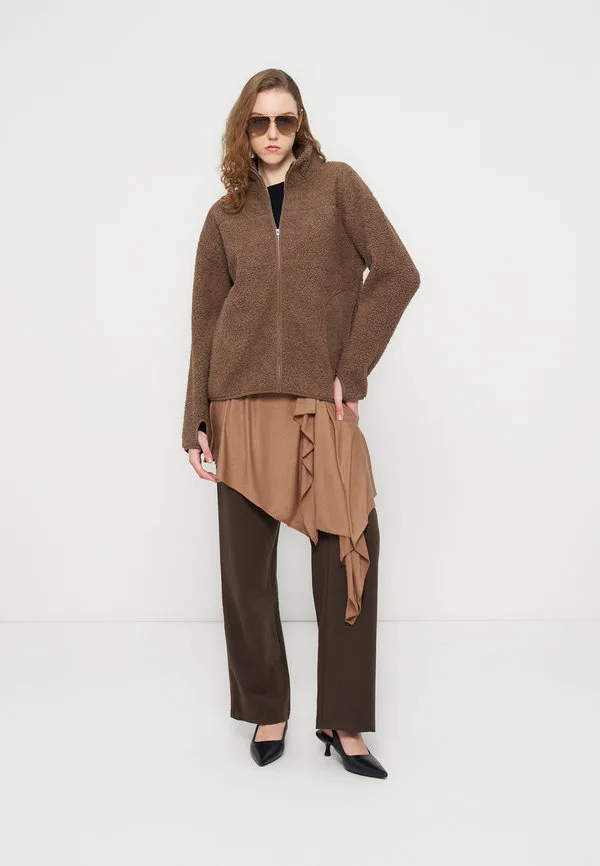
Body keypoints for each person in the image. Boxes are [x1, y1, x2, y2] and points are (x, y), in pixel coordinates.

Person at [182, 69, 421, 779]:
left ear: (301, 124)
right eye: (259, 122)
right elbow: (204, 323)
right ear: (243, 129)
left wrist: (353, 367)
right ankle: (268, 708)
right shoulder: (224, 215)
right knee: (245, 573)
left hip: (322, 402)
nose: (272, 134)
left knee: (349, 552)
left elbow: (398, 272)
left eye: (284, 120)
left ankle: (343, 721)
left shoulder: (339, 186)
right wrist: (195, 415)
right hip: (239, 403)